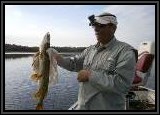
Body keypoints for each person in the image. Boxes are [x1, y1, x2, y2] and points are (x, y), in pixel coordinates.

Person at [47, 12, 137, 110]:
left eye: (101, 25)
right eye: (94, 25)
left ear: (113, 28)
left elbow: (122, 85)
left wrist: (90, 75)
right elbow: (74, 64)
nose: (96, 29)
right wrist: (57, 58)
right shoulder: (90, 50)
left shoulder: (125, 51)